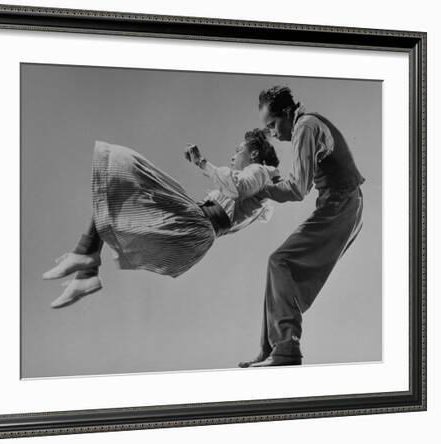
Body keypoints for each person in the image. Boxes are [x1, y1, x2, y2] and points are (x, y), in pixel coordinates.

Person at [43, 129, 280, 309]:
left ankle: (85, 258)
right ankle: (86, 271)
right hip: (196, 231)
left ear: (254, 154)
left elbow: (237, 187)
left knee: (124, 171)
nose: (233, 155)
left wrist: (202, 163)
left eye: (239, 151)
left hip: (197, 223)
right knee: (118, 199)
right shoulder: (261, 190)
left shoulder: (258, 171)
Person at [238, 86, 365, 368]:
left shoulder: (305, 127)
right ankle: (271, 347)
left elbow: (296, 189)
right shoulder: (305, 127)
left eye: (272, 124)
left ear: (286, 113)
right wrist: (269, 187)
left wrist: (261, 189)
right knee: (279, 268)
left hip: (342, 204)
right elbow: (298, 181)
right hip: (342, 204)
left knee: (280, 261)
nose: (271, 132)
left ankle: (285, 349)